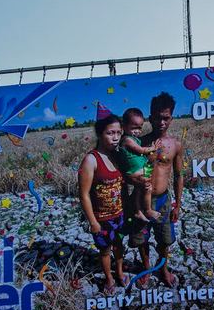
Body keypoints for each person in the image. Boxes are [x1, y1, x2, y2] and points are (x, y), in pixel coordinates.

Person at [130, 91, 183, 289]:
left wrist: (178, 204)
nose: (161, 122)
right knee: (141, 239)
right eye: (157, 117)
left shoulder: (175, 144)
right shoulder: (139, 144)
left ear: (171, 118)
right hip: (140, 200)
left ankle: (163, 268)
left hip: (163, 201)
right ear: (149, 117)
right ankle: (146, 268)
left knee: (164, 239)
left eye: (166, 118)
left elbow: (179, 175)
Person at [78, 113, 128, 295]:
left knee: (119, 245)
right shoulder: (91, 159)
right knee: (105, 250)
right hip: (102, 217)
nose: (115, 137)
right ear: (100, 134)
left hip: (120, 214)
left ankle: (121, 273)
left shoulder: (119, 155)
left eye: (118, 133)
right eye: (110, 133)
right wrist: (93, 222)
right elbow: (83, 194)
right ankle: (109, 278)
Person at [118, 108, 159, 222]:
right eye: (134, 127)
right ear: (124, 126)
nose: (137, 131)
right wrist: (153, 148)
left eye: (140, 127)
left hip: (139, 167)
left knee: (140, 189)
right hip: (134, 170)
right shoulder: (127, 139)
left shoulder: (134, 139)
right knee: (147, 187)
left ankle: (138, 211)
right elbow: (141, 150)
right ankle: (147, 210)